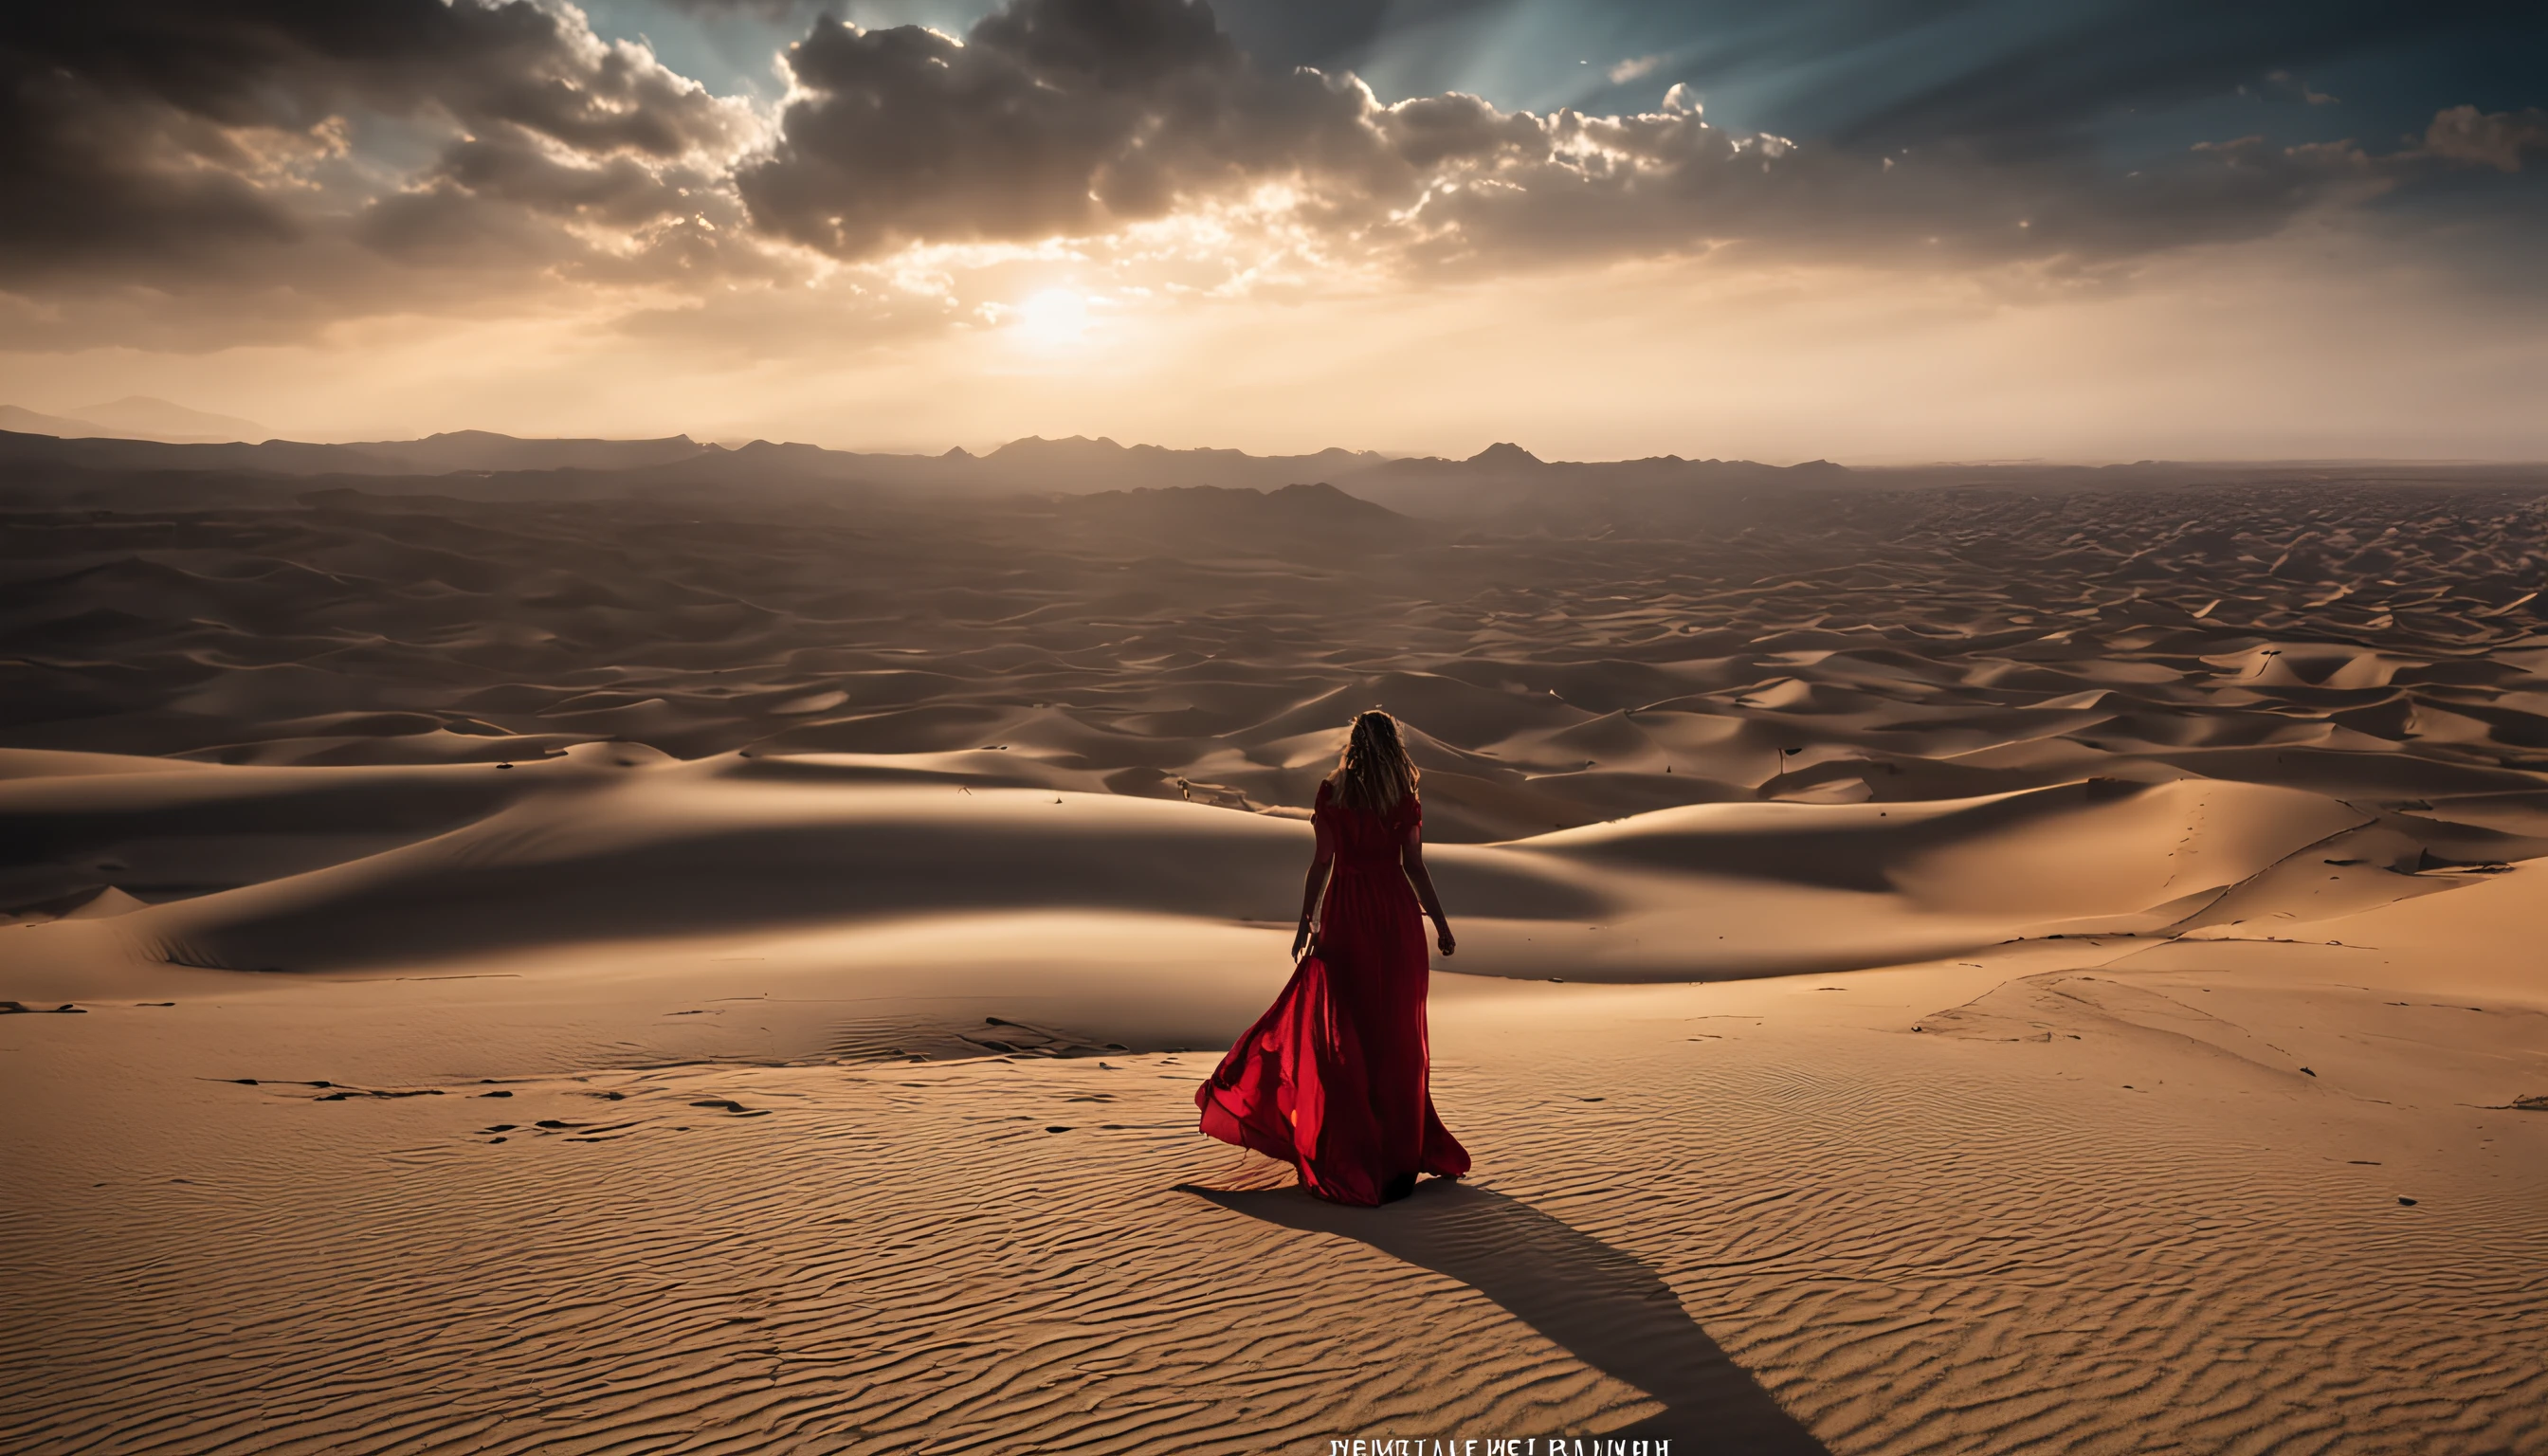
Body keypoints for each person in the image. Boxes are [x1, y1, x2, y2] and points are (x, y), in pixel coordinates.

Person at [1195, 710, 1470, 1205]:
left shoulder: (1334, 795)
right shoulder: (1402, 800)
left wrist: (1307, 918)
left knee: (1348, 1032)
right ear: (1394, 749)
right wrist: (1442, 923)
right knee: (1397, 1037)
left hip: (1348, 915)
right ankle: (1400, 1151)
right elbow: (1415, 867)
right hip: (1395, 920)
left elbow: (1321, 862)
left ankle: (1358, 1150)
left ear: (1353, 747)